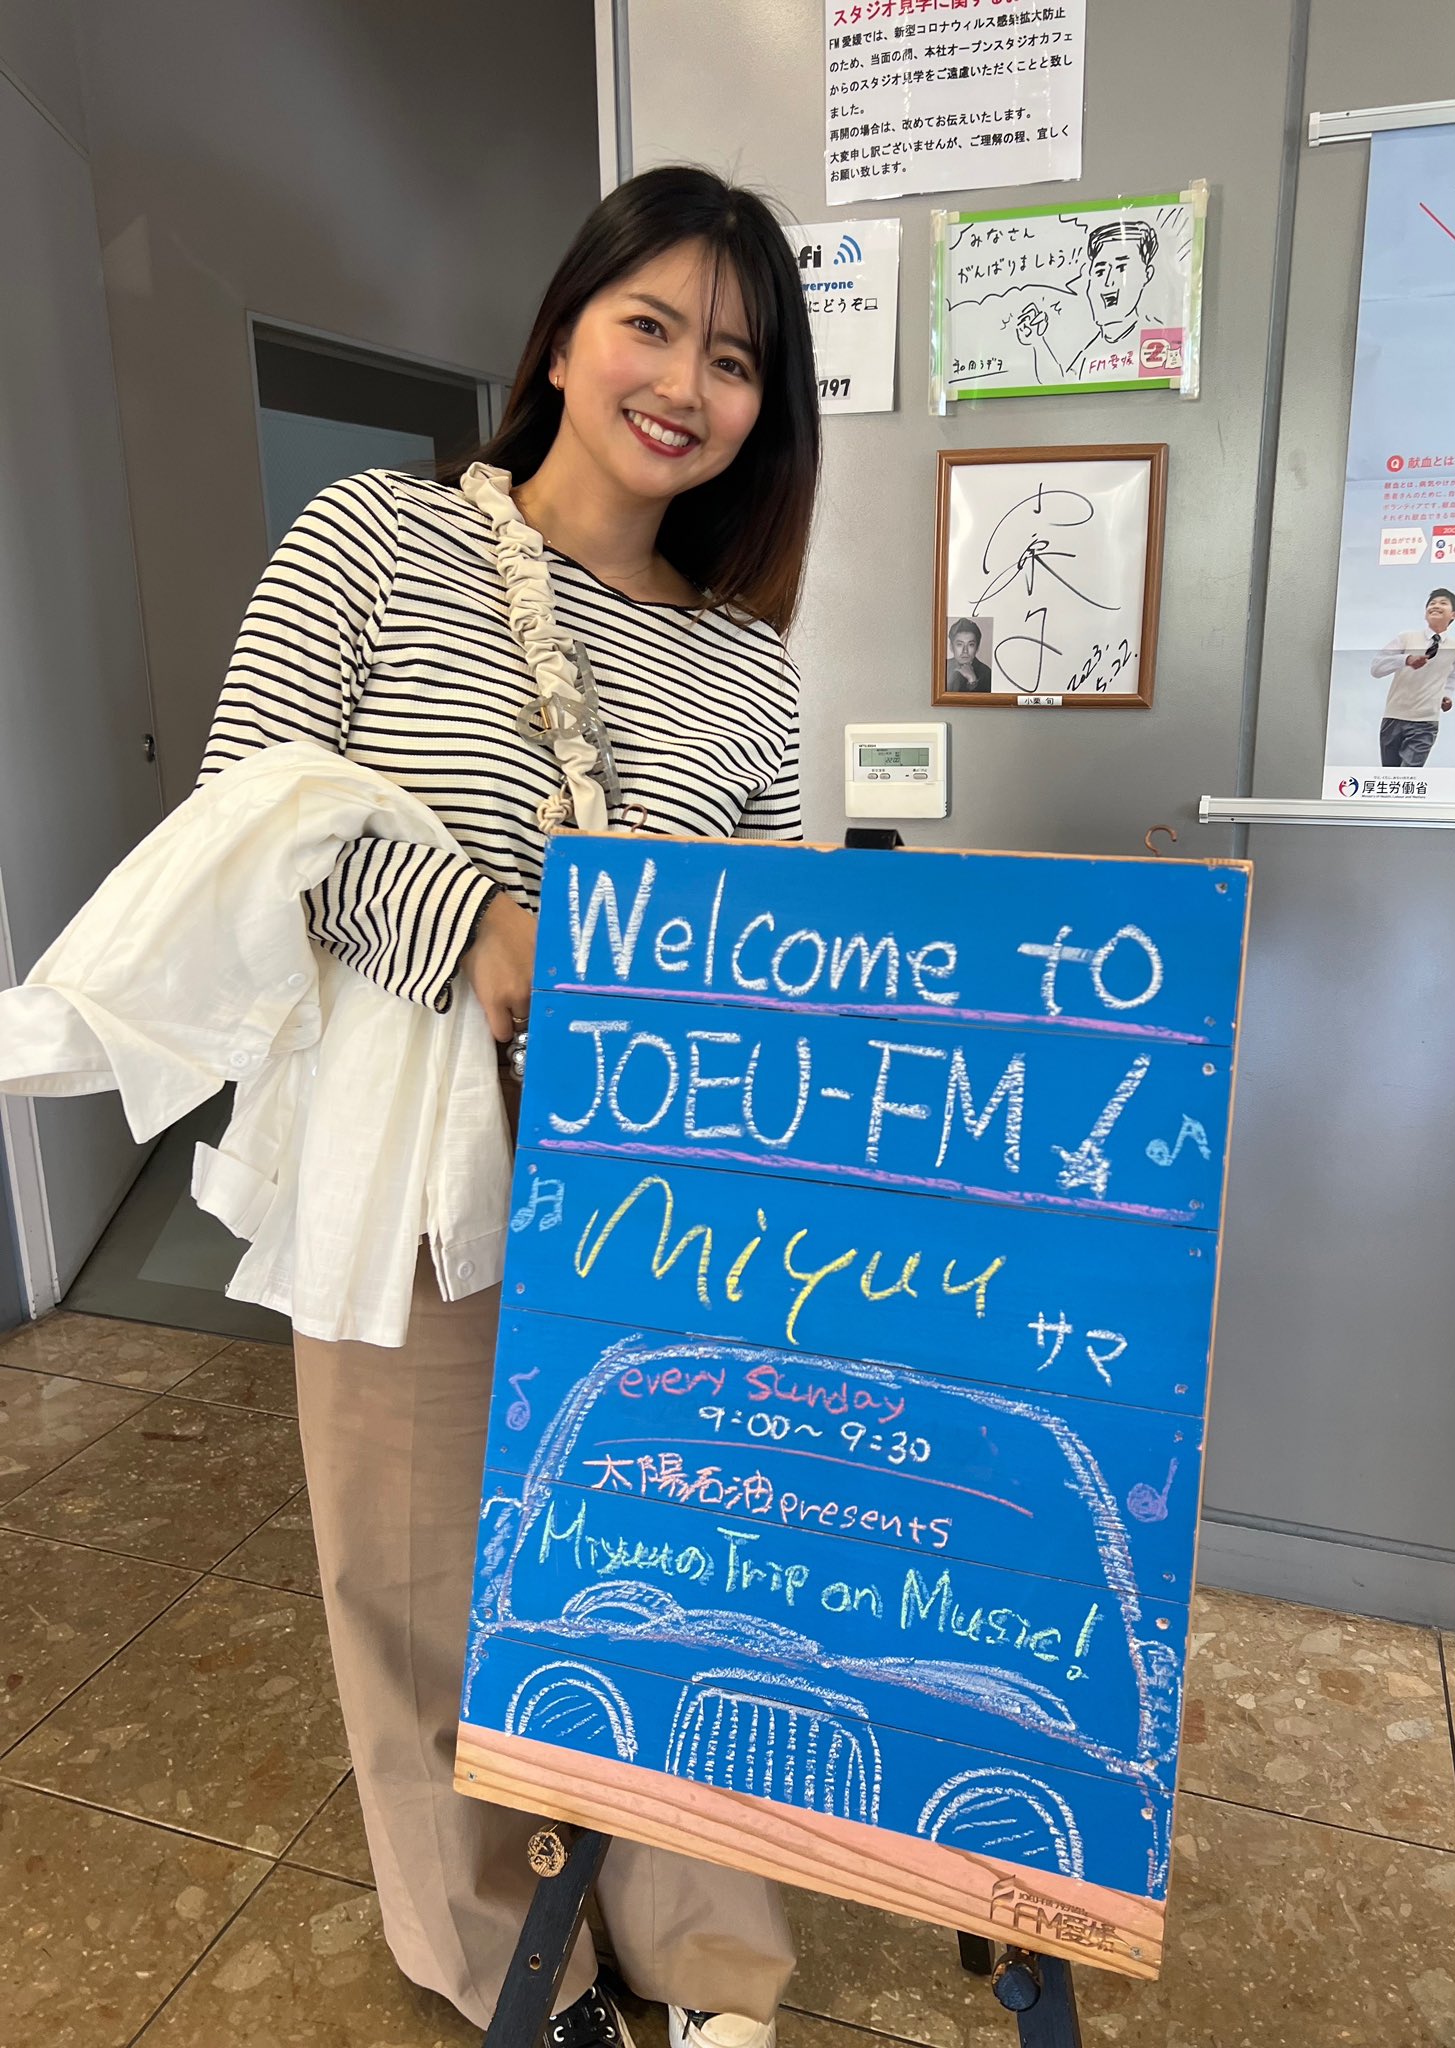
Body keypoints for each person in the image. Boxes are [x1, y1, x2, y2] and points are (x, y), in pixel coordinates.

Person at [197, 166, 819, 2048]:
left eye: (734, 359)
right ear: (562, 336)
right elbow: (244, 809)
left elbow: (777, 937)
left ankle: (709, 1953)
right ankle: (498, 1959)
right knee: (415, 1582)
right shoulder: (373, 540)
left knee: (683, 1569)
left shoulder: (751, 667)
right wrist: (474, 933)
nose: (685, 383)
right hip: (414, 1172)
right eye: (652, 325)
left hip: (666, 1193)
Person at [1014, 218, 1158, 383]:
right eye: (1100, 271)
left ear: (1147, 275)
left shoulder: (1156, 344)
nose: (1108, 281)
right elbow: (1062, 386)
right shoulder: (1091, 353)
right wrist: (1037, 341)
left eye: (1121, 269)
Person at [1370, 587, 1455, 767]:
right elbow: (1376, 668)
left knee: (1409, 772)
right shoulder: (1406, 637)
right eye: (1432, 603)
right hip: (1394, 716)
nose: (1436, 606)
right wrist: (1406, 659)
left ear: (1453, 615)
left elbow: (1453, 675)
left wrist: (1447, 695)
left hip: (1426, 721)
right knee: (1391, 776)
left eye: (1443, 603)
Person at [945, 616, 992, 692]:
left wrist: (973, 680)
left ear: (977, 648)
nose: (965, 651)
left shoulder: (987, 673)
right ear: (951, 646)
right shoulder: (943, 666)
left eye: (971, 645)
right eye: (959, 644)